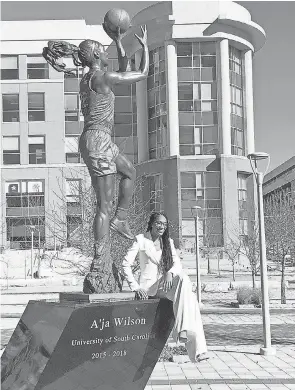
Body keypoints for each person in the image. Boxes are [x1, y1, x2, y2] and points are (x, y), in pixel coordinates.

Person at [43, 25, 149, 269]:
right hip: (98, 141)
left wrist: (119, 41)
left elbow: (122, 70)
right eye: (104, 49)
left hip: (101, 140)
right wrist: (146, 49)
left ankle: (120, 219)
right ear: (97, 55)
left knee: (130, 171)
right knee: (104, 205)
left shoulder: (90, 78)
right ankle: (100, 258)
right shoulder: (102, 78)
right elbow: (140, 74)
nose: (107, 52)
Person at [121, 212, 209, 363]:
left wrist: (169, 272)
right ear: (152, 223)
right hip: (149, 288)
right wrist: (135, 287)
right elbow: (125, 264)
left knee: (189, 294)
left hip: (164, 285)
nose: (162, 226)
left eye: (164, 224)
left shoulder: (167, 242)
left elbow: (177, 264)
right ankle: (185, 336)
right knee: (186, 285)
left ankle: (196, 348)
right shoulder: (141, 240)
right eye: (159, 223)